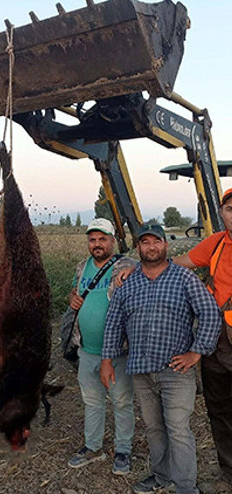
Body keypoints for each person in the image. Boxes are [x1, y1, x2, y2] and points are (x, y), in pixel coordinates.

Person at [116, 189, 232, 494]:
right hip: (220, 341)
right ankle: (227, 473)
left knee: (183, 425)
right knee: (218, 410)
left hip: (215, 339)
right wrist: (136, 268)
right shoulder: (215, 243)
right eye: (230, 208)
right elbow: (178, 262)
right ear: (222, 212)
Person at [66, 218, 137, 474]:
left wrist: (132, 271)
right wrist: (73, 298)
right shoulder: (82, 267)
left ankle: (123, 451)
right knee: (93, 401)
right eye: (92, 239)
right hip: (86, 350)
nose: (97, 244)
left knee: (121, 401)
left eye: (102, 239)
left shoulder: (125, 265)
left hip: (118, 352)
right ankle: (93, 447)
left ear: (112, 241)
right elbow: (75, 293)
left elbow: (140, 270)